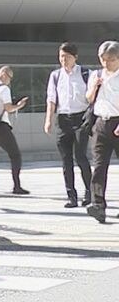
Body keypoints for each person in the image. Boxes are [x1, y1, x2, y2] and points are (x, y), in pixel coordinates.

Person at [44, 43, 94, 208]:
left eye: (67, 57)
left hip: (81, 119)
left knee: (80, 156)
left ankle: (89, 192)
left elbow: (93, 97)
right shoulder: (56, 75)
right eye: (61, 57)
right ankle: (71, 196)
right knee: (66, 160)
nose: (63, 60)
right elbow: (51, 99)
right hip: (63, 119)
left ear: (75, 57)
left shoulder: (86, 73)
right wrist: (49, 119)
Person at [0, 66, 30, 197]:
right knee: (15, 155)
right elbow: (8, 108)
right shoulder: (3, 89)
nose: (10, 80)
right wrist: (19, 105)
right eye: (10, 77)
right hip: (0, 126)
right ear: (3, 74)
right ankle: (17, 186)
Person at [86, 41, 119, 223]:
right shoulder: (96, 75)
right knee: (98, 166)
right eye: (103, 59)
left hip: (118, 121)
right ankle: (98, 205)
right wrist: (94, 87)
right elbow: (89, 99)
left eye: (111, 60)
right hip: (100, 123)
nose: (106, 63)